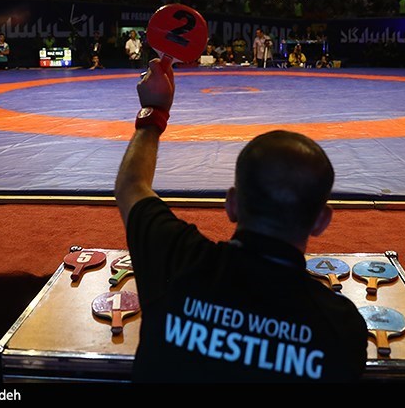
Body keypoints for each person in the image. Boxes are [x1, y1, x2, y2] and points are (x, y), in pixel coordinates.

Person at [114, 58, 368, 383]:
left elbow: (131, 186)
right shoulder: (341, 326)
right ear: (321, 222)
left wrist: (154, 110)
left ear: (231, 204)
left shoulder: (179, 262)